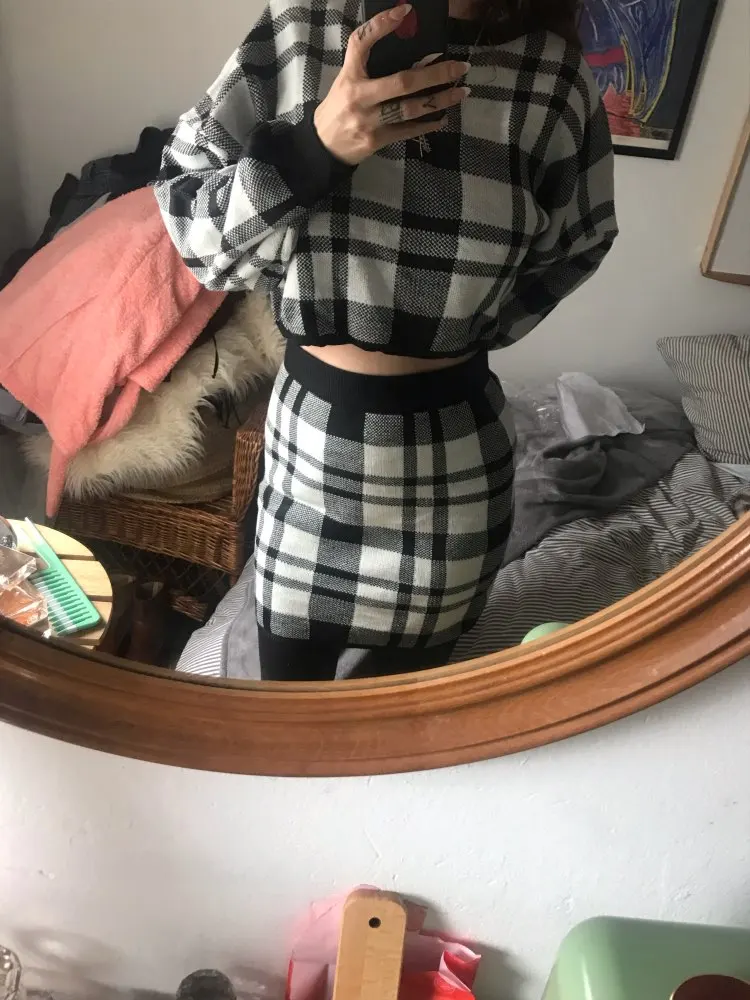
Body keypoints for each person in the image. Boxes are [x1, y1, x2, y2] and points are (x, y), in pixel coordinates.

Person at [155, 0, 618, 681]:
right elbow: (191, 229)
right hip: (310, 454)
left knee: (401, 717)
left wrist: (470, 325)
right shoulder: (301, 30)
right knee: (289, 706)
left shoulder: (554, 79)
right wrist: (314, 150)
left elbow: (580, 243)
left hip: (456, 473)